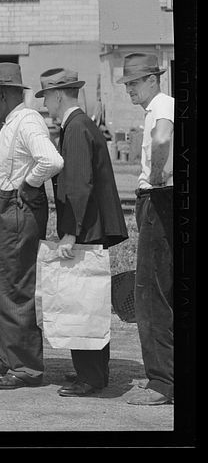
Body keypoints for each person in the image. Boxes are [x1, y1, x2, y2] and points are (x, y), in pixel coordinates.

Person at [36, 68, 128, 398]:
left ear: (59, 95)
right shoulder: (83, 124)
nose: (45, 104)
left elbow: (78, 184)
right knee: (87, 298)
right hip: (92, 225)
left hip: (85, 227)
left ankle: (90, 376)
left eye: (46, 97)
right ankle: (92, 371)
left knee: (82, 301)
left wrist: (70, 233)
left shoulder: (74, 129)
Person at [0, 63, 63, 390]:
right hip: (6, 205)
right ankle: (11, 356)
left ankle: (26, 367)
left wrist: (26, 186)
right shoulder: (12, 123)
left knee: (14, 285)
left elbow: (51, 161)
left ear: (2, 94)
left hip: (18, 208)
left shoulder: (26, 121)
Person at [115, 52, 174, 406]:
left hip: (157, 199)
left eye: (135, 82)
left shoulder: (162, 104)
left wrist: (154, 177)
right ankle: (165, 376)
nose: (130, 90)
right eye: (127, 85)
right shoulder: (161, 105)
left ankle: (162, 382)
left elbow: (163, 139)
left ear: (154, 79)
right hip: (159, 202)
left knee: (151, 296)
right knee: (158, 291)